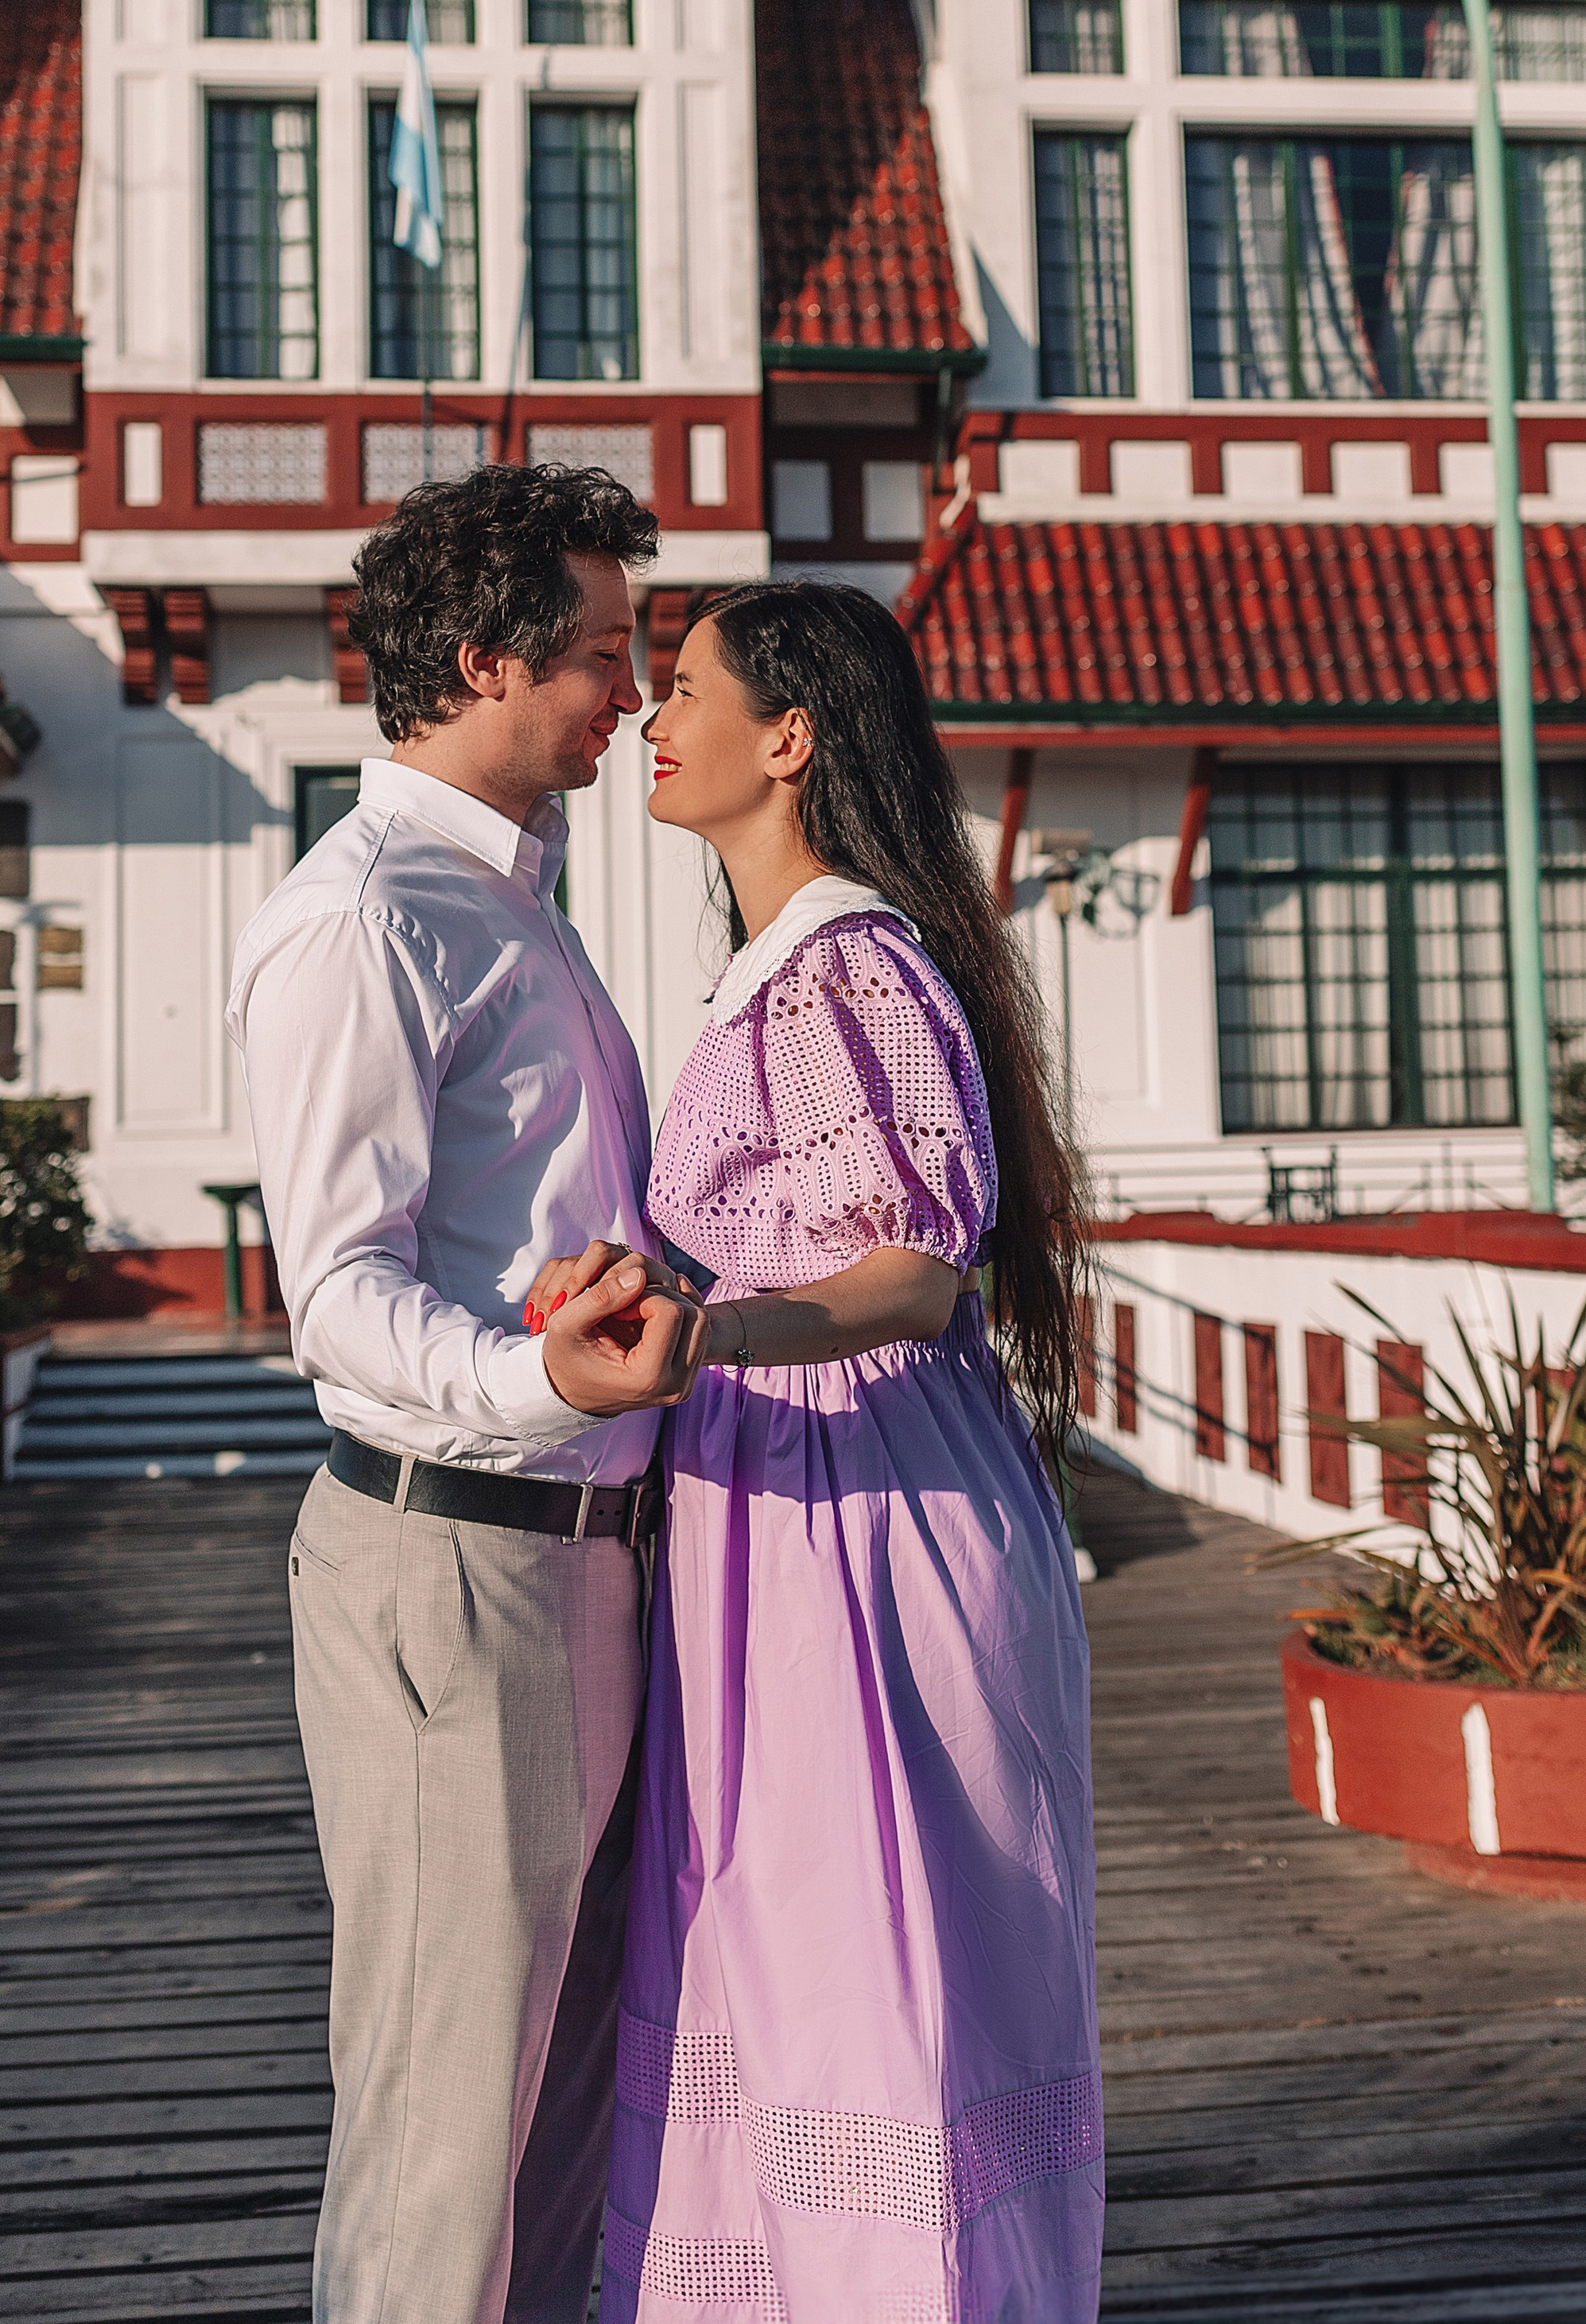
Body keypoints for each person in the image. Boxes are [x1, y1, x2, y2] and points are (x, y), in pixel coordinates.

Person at [531, 580, 1103, 2324]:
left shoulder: (844, 961)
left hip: (855, 1498)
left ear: (788, 738)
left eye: (685, 688)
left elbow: (912, 1269)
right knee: (787, 1936)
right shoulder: (780, 968)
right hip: (786, 1492)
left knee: (863, 1948)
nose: (652, 718)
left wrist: (707, 1332)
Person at [227, 464, 708, 2324]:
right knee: (444, 2124)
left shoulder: (511, 902)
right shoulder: (365, 918)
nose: (632, 691)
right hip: (455, 1563)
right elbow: (333, 1296)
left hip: (580, 1553)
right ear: (487, 662)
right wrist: (537, 1376)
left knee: (563, 2099)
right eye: (601, 653)